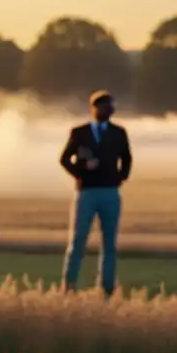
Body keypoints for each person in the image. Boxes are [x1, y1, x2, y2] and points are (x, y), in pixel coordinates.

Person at [58, 90, 132, 297]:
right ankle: (69, 285)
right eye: (106, 106)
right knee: (78, 239)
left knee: (110, 243)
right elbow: (64, 159)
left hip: (110, 191)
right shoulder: (79, 133)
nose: (110, 110)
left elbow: (127, 158)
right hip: (87, 192)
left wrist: (120, 177)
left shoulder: (119, 133)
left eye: (112, 106)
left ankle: (107, 287)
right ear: (95, 108)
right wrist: (80, 173)